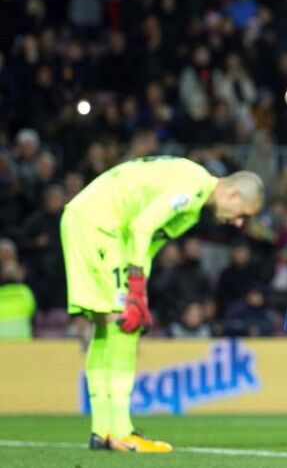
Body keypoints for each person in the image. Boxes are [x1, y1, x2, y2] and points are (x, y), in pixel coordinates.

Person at [62, 156, 264, 453]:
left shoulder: (192, 200)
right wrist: (135, 289)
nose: (238, 222)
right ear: (233, 194)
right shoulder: (193, 189)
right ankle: (121, 431)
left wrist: (139, 291)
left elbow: (147, 243)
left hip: (89, 220)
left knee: (106, 328)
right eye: (242, 214)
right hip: (102, 227)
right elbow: (141, 227)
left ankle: (103, 430)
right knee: (125, 326)